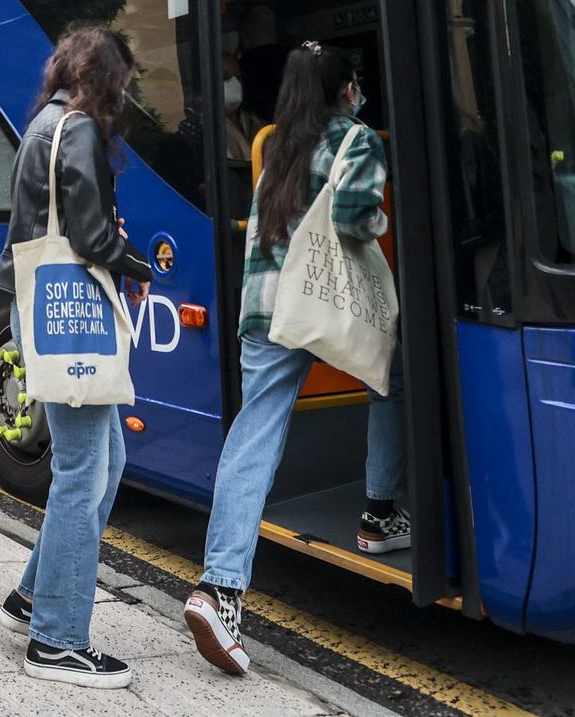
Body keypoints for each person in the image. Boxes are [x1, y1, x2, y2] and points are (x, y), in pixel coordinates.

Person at [183, 41, 396, 678]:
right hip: (322, 304)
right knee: (390, 376)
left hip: (264, 307)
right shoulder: (356, 139)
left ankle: (220, 589)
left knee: (255, 435)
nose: (359, 93)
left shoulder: (274, 144)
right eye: (355, 83)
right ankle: (382, 509)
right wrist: (381, 214)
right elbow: (359, 219)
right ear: (345, 90)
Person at [0, 26, 154, 688]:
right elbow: (88, 237)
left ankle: (32, 595)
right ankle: (57, 637)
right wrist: (138, 263)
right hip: (70, 313)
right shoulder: (80, 128)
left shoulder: (44, 123)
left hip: (38, 306)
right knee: (85, 470)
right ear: (105, 75)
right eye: (125, 78)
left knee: (102, 459)